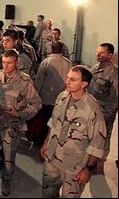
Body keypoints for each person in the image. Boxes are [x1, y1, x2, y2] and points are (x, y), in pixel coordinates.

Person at [40, 65, 107, 198]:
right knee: (48, 190)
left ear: (84, 84)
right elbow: (53, 122)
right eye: (67, 77)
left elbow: (97, 143)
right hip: (52, 157)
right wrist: (46, 142)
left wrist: (88, 169)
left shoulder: (92, 109)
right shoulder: (62, 97)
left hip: (74, 165)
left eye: (73, 79)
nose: (67, 82)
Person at [0, 49, 41, 196]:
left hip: (12, 125)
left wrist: (19, 114)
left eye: (9, 63)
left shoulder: (25, 81)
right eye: (3, 63)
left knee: (8, 156)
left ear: (17, 63)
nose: (6, 66)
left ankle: (6, 180)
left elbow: (36, 104)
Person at [88, 43, 118, 165]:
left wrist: (108, 114)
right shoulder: (95, 68)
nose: (98, 54)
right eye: (97, 52)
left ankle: (99, 164)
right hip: (91, 111)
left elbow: (116, 97)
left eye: (102, 52)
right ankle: (90, 162)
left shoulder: (114, 73)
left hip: (105, 113)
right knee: (91, 138)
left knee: (103, 139)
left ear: (110, 55)